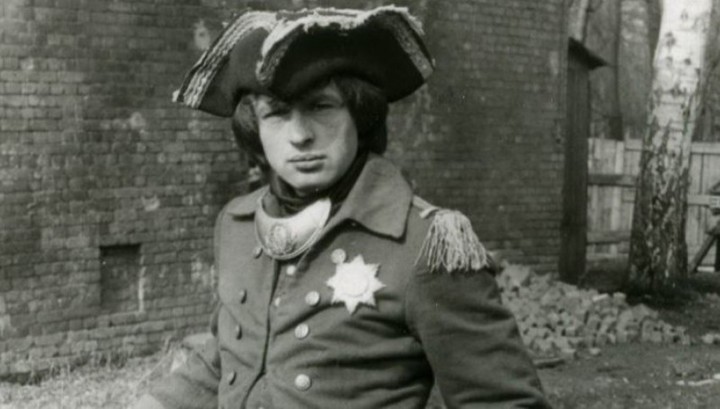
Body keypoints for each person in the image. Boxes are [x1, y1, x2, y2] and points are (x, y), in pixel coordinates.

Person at [134, 6, 551, 409]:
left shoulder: (426, 244)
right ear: (254, 130)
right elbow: (231, 356)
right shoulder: (238, 225)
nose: (300, 135)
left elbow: (503, 401)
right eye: (276, 113)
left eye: (321, 107)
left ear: (360, 115)